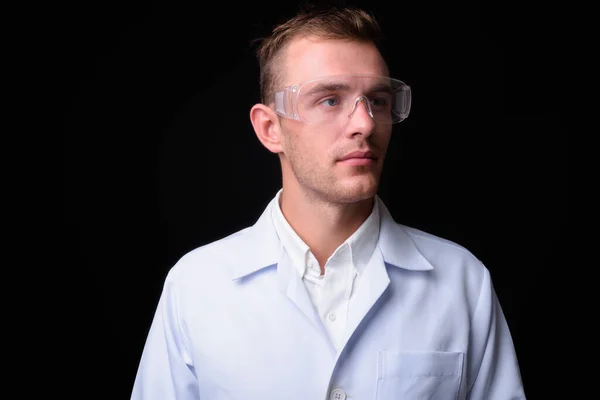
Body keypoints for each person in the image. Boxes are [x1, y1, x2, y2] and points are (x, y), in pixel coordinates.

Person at [130, 3, 526, 399]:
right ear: (270, 129)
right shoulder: (197, 286)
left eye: (378, 100)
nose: (366, 123)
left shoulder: (462, 282)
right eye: (330, 100)